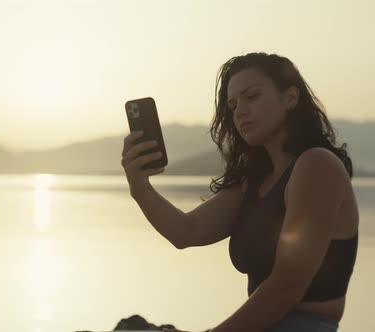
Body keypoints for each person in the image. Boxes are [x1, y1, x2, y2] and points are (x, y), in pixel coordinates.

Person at [120, 52, 359, 332]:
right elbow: (186, 231)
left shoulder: (317, 165)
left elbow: (288, 284)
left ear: (290, 98)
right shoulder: (254, 181)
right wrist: (139, 187)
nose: (240, 111)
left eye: (252, 97)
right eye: (232, 105)